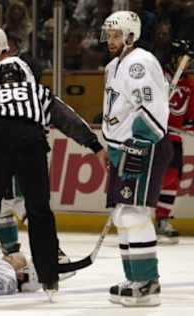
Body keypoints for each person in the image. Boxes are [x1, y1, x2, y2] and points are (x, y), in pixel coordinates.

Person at [0, 57, 107, 303]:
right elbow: (68, 119)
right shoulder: (38, 92)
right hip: (30, 141)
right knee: (39, 212)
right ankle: (49, 279)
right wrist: (95, 146)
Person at [100, 11, 171, 307]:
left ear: (131, 36)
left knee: (134, 214)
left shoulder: (139, 63)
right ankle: (134, 278)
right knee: (122, 215)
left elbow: (152, 108)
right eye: (109, 35)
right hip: (124, 147)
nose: (111, 40)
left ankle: (148, 282)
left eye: (117, 35)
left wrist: (139, 145)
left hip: (144, 146)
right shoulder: (113, 66)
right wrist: (112, 145)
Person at [155, 40, 194, 244]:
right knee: (161, 176)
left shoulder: (188, 83)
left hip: (175, 137)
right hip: (156, 135)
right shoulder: (158, 76)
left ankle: (162, 219)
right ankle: (140, 213)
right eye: (182, 59)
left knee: (173, 178)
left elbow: (188, 117)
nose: (186, 64)